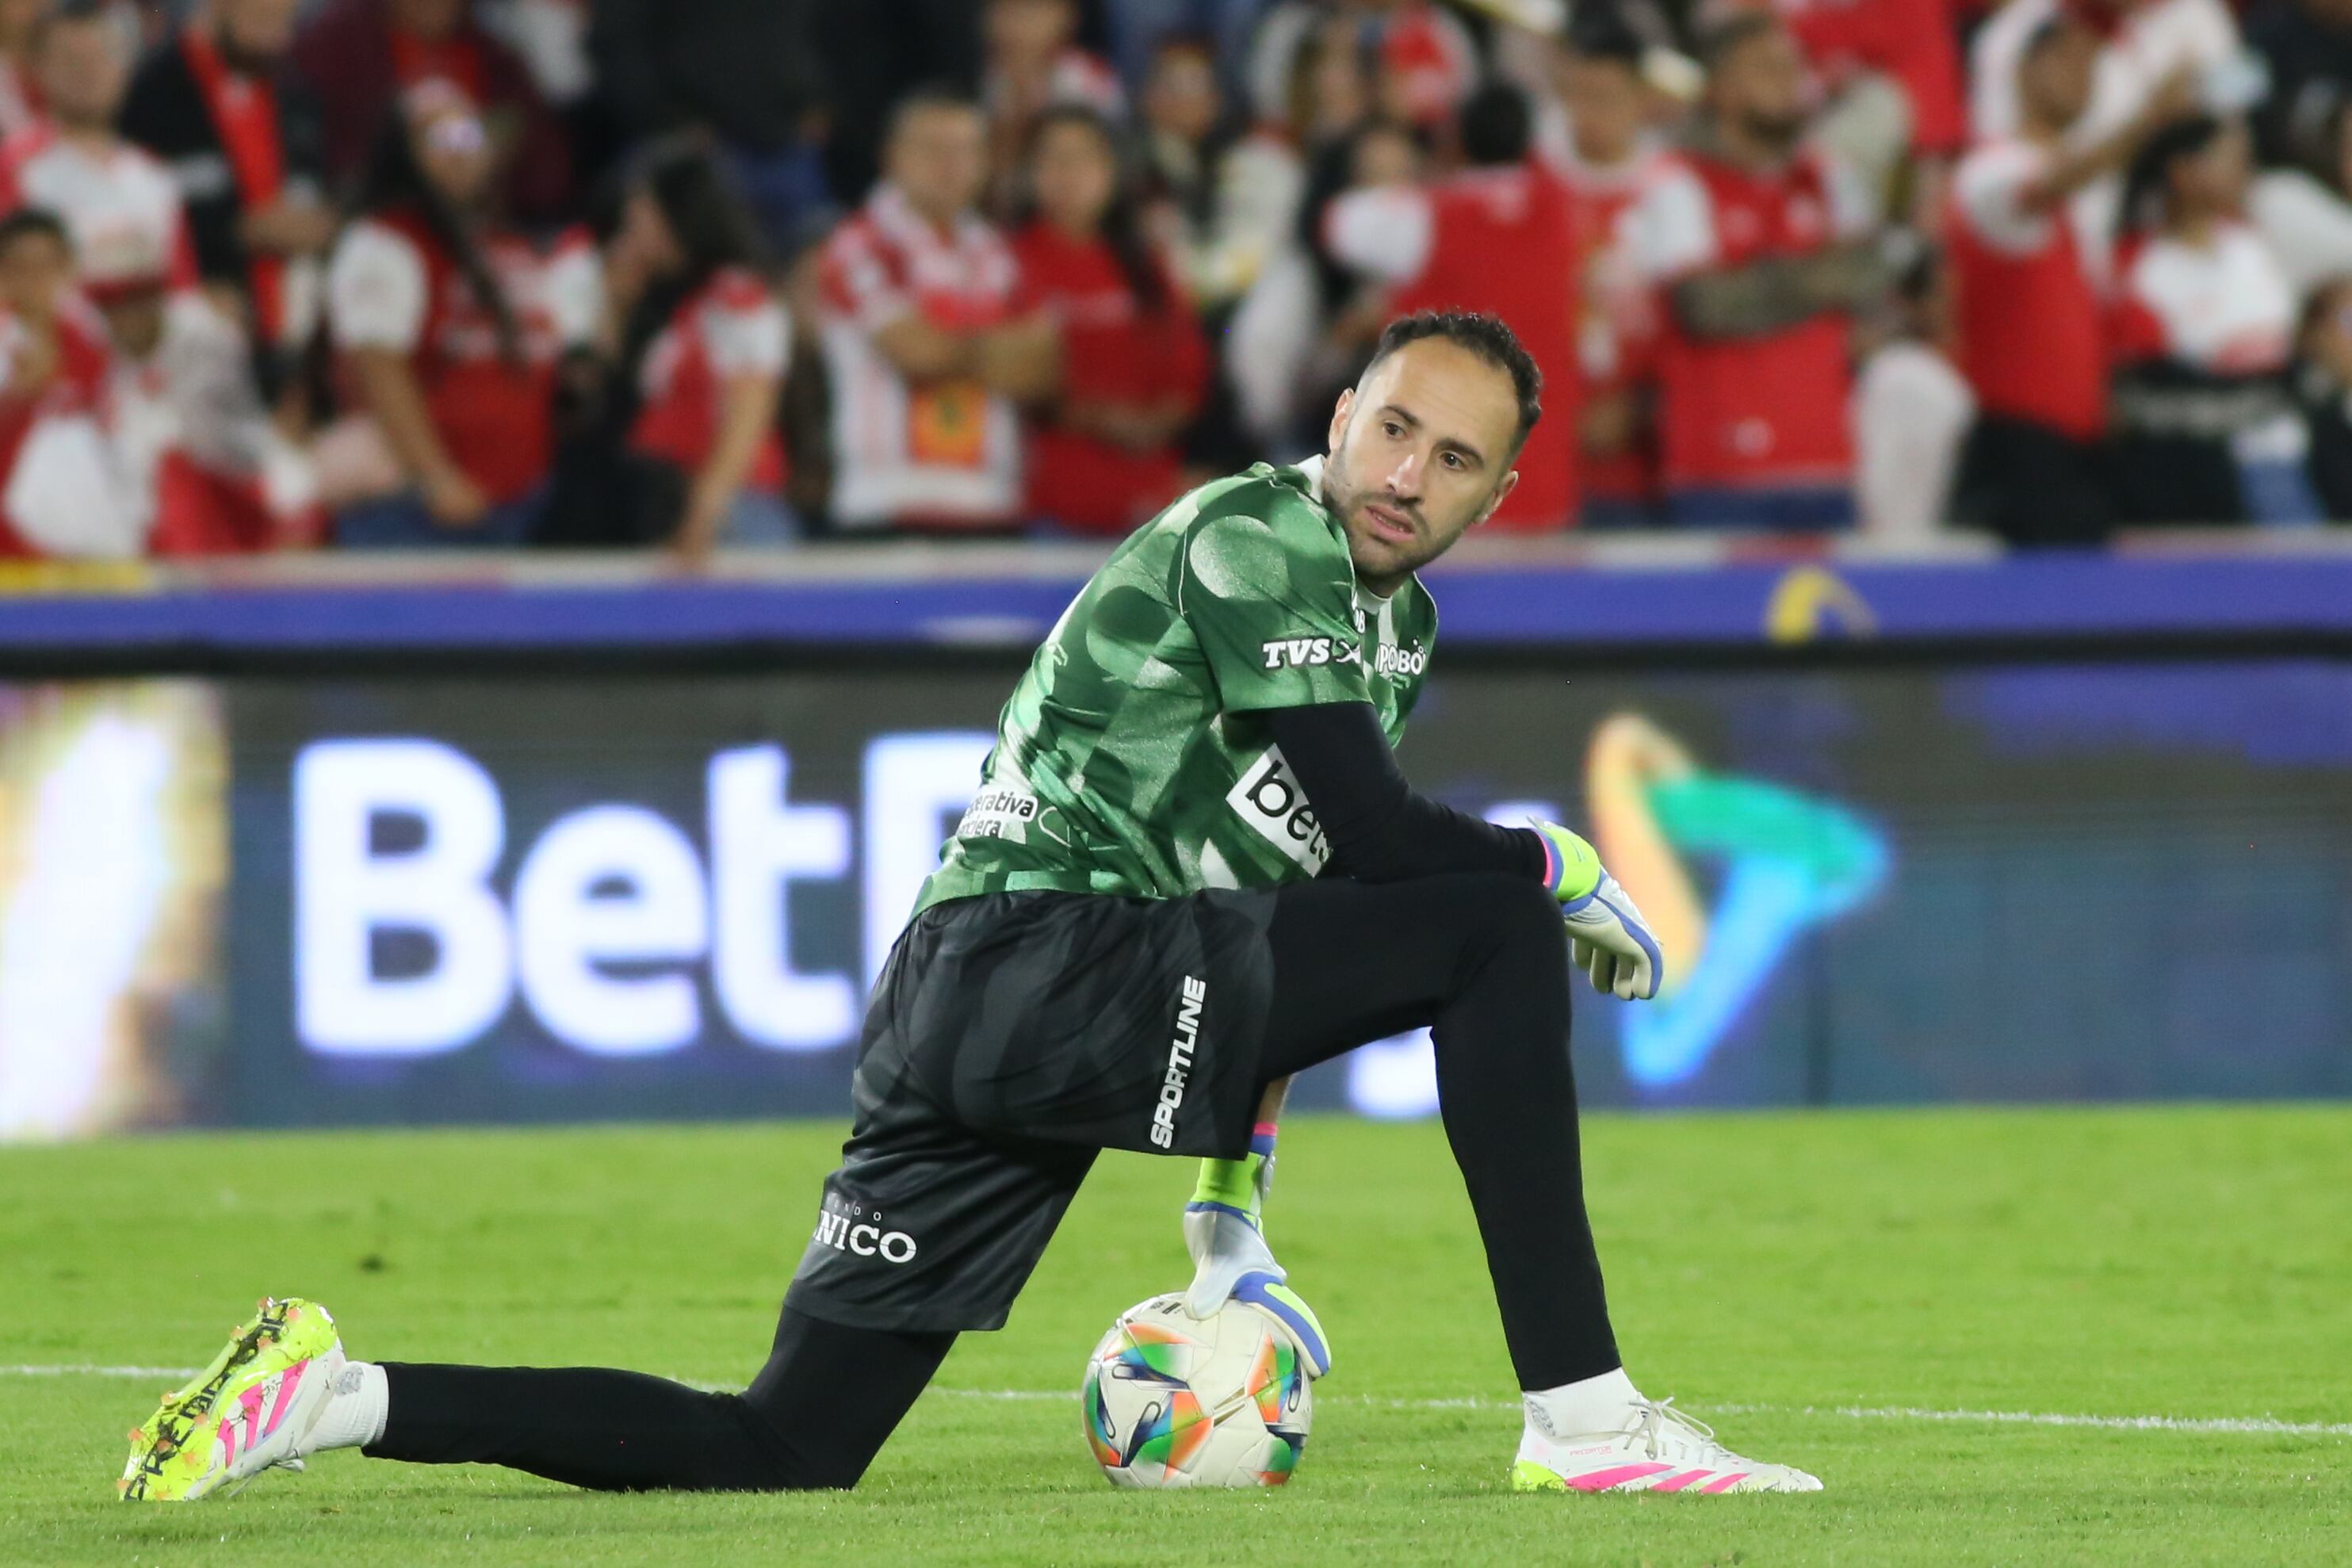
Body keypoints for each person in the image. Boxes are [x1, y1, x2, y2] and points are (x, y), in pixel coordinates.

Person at [120, 310, 1825, 1504]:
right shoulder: (1257, 534)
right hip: (1041, 961)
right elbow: (1385, 850)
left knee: (785, 1443)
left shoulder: (1391, 630)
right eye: (1393, 425)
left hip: (988, 1003)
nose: (1408, 471)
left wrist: (1229, 1224)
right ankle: (1587, 1417)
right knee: (1490, 923)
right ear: (1339, 415)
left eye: (1454, 458)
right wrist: (1554, 862)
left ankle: (334, 1394)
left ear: (1495, 496)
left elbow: (1293, 898)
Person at [1631, 10, 1884, 530]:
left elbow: (1871, 275)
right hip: (1720, 472)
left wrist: (1765, 284)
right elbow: (1706, 308)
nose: (1790, 83)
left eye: (1792, 67)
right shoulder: (1678, 181)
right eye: (1766, 69)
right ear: (1721, 88)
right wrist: (1820, 278)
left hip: (1828, 462)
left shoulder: (1827, 175)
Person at [1947, 20, 2195, 547]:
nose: (2082, 77)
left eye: (2091, 66)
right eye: (2066, 60)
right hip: (2020, 439)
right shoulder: (1988, 169)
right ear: (2021, 70)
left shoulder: (2087, 199)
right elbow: (2038, 191)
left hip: (2079, 436)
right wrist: (2148, 120)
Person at [325, 79, 597, 547]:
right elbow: (378, 366)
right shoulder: (386, 240)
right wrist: (435, 478)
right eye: (436, 138)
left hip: (515, 502)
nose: (456, 151)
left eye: (466, 136)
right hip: (414, 511)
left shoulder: (506, 240)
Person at [1323, 82, 1580, 529]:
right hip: (1541, 481)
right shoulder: (1568, 216)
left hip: (1432, 493)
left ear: (1457, 141)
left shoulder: (1426, 215)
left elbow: (1336, 225)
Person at [814, 90, 1056, 533]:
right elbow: (916, 355)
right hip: (888, 500)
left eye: (966, 149)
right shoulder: (861, 246)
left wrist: (950, 346)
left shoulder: (999, 252)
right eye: (932, 148)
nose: (950, 164)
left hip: (990, 502)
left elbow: (1043, 370)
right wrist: (1000, 348)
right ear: (892, 157)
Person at [567, 134, 794, 556]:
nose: (630, 225)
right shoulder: (675, 305)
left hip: (731, 516)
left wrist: (705, 511)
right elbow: (604, 398)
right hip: (666, 504)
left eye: (641, 212)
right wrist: (616, 308)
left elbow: (749, 409)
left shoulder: (737, 293)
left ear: (679, 214)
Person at [2108, 114, 2316, 525]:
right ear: (2184, 172)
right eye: (2234, 159)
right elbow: (2145, 389)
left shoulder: (2254, 243)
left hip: (2288, 451)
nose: (2247, 172)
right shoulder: (2140, 266)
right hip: (2199, 473)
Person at [117, 0, 334, 395]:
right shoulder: (151, 94)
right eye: (262, 17)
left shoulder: (296, 94)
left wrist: (324, 225)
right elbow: (131, 214)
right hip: (197, 338)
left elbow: (324, 191)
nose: (277, 35)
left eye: (284, 22)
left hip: (299, 346)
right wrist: (233, 233)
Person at [1012, 105, 1209, 535]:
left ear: (1111, 171)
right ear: (1029, 172)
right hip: (1047, 501)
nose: (1069, 174)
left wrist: (1152, 424)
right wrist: (1097, 419)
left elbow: (1185, 373)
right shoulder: (1007, 261)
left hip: (1150, 503)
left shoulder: (1147, 268)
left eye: (1084, 158)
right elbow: (1012, 376)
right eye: (1053, 159)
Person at [293, 0, 572, 225]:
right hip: (376, 227)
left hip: (483, 235)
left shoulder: (498, 61)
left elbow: (548, 175)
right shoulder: (337, 43)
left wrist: (493, 168)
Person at [1549, 31, 1665, 529]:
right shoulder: (1535, 192)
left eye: (1606, 97)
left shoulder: (1672, 192)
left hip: (1649, 456)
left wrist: (1640, 405)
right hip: (1551, 455)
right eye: (1578, 96)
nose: (1590, 112)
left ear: (1642, 100)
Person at [0, 208, 136, 558]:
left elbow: (114, 425)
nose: (34, 279)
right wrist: (20, 398)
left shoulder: (93, 334)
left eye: (47, 266)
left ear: (69, 268)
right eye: (20, 267)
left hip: (93, 520)